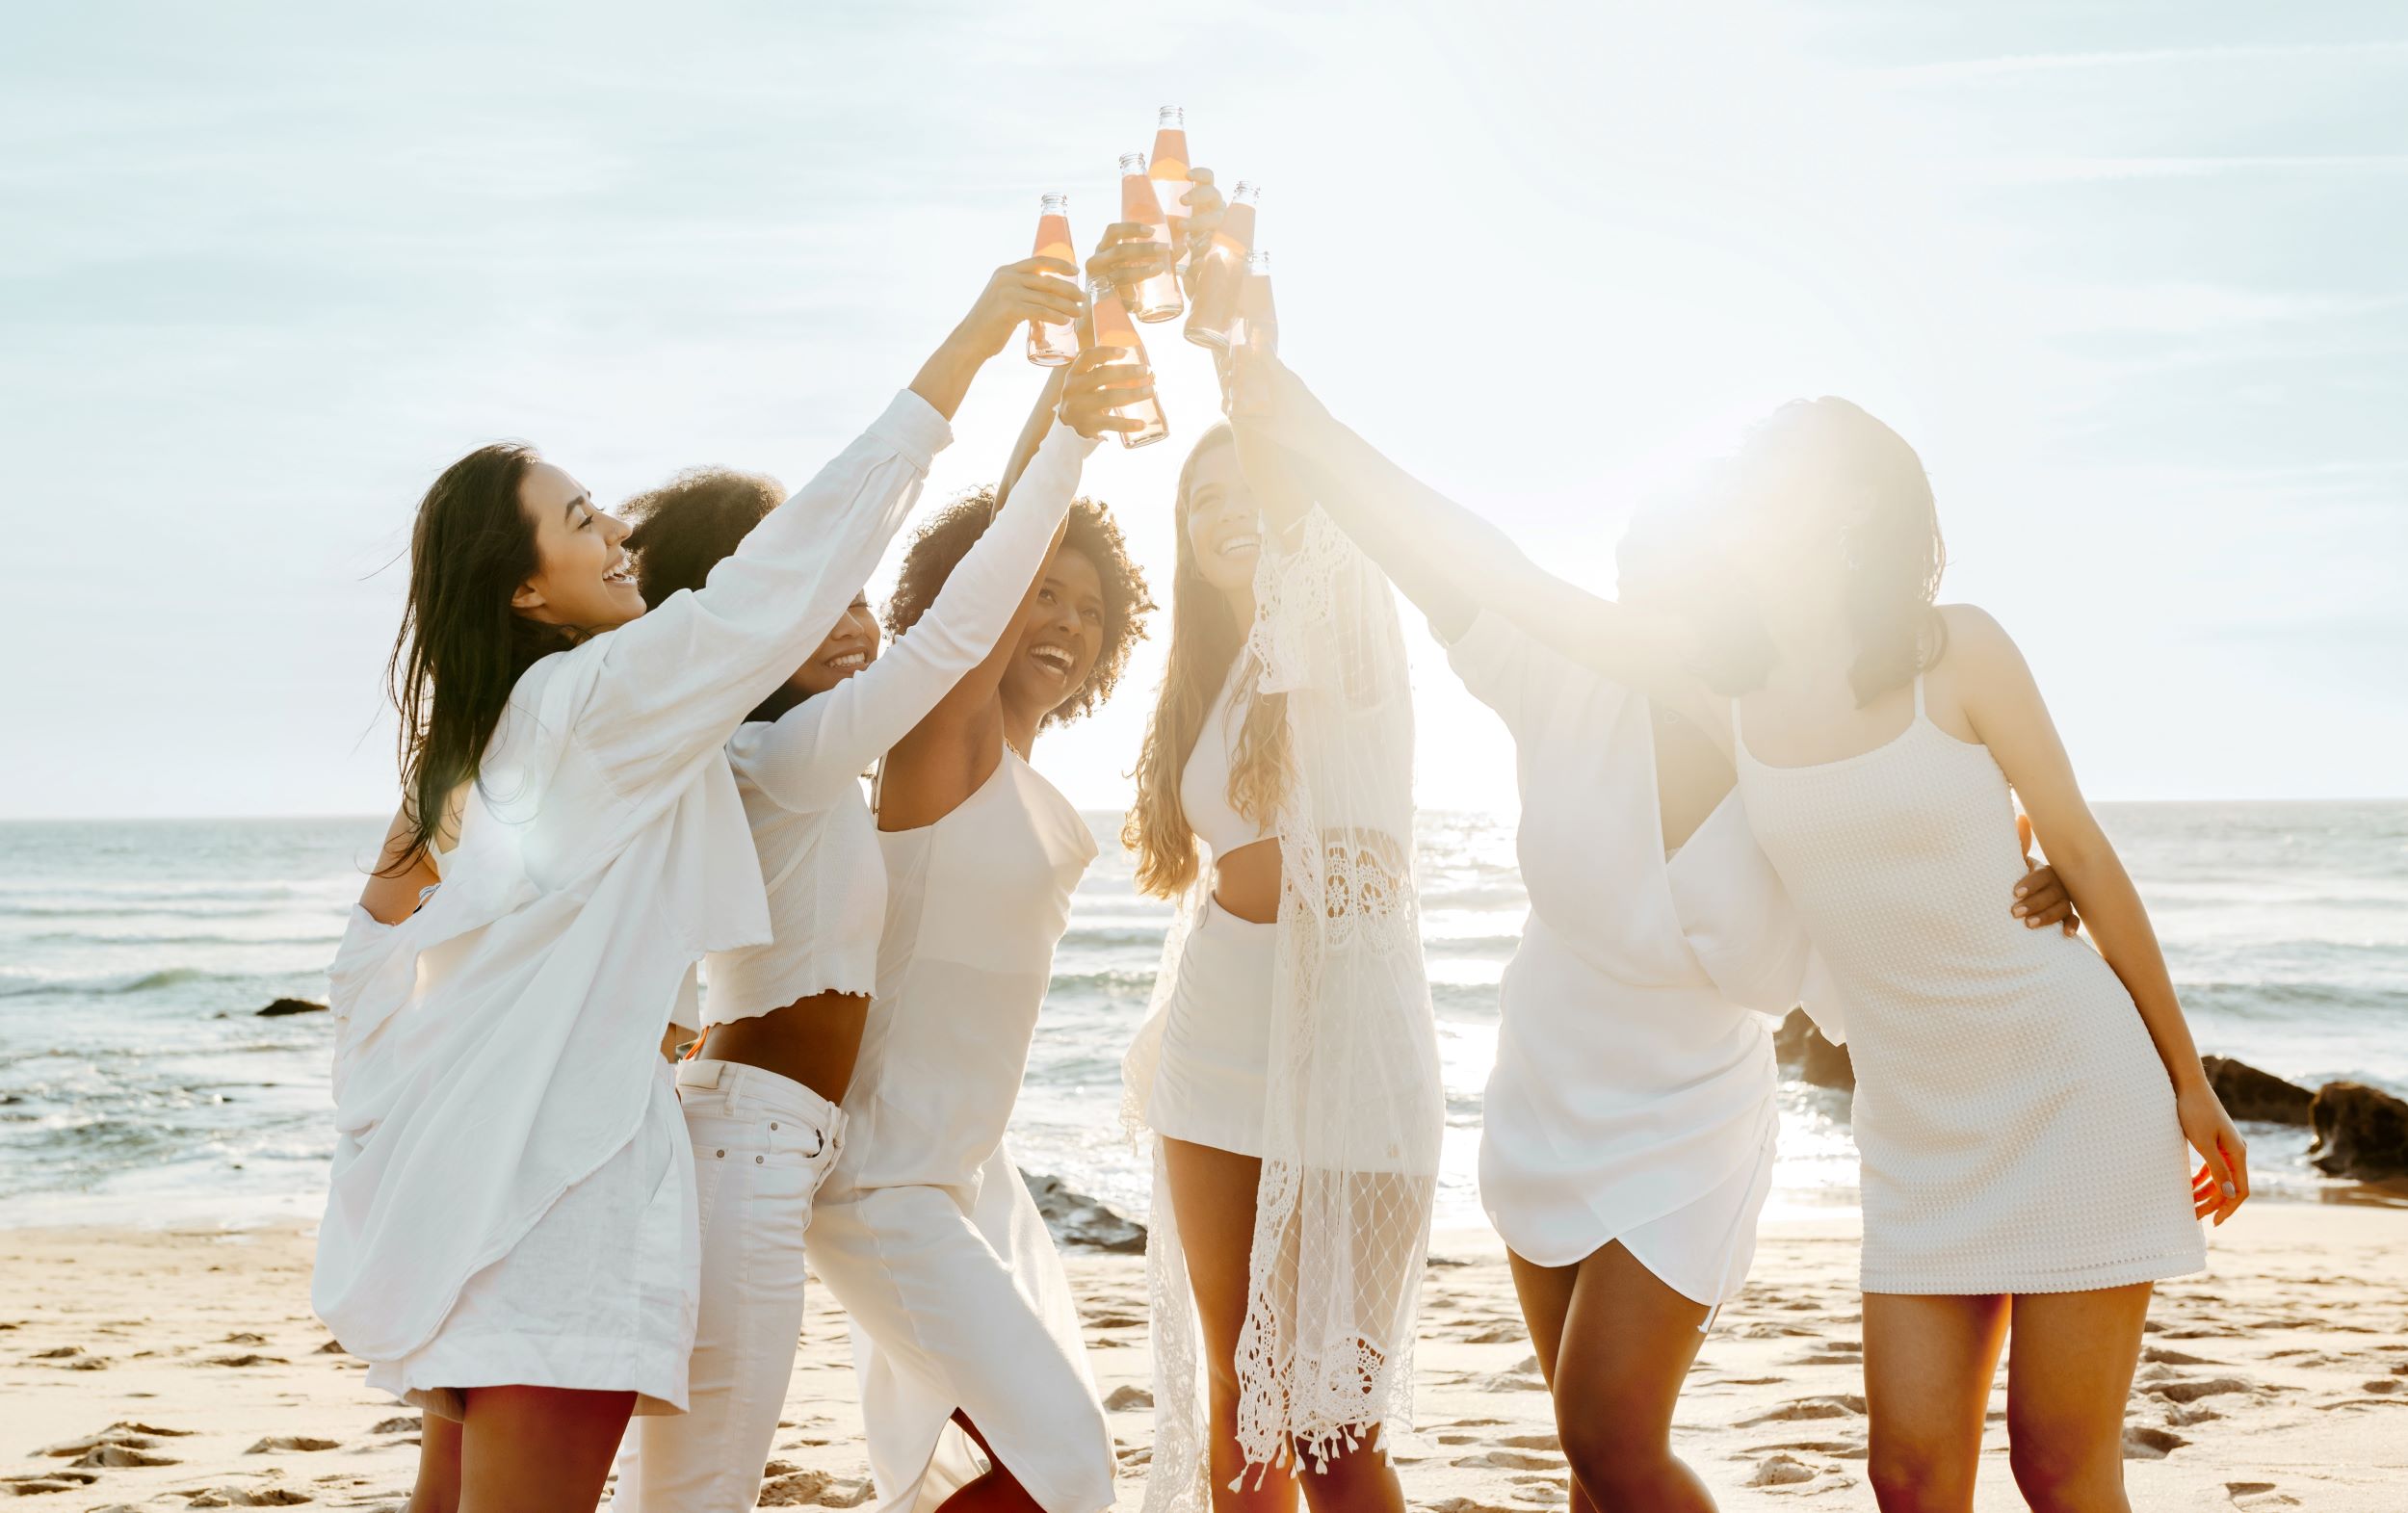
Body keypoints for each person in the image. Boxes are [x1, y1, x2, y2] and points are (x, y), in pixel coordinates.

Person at [1235, 359, 2246, 1513]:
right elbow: (1494, 573)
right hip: (1916, 1134)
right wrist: (1310, 431)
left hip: (2064, 1089)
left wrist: (2188, 1077)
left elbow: (2085, 857)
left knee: (2057, 1467)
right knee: (1907, 1474)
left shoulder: (1955, 648)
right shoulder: (1725, 684)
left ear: (1851, 506)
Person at [314, 258, 1082, 1513]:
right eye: (579, 524)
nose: (615, 534)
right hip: (562, 1213)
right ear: (523, 589)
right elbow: (786, 587)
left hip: (506, 1203)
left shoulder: (511, 738)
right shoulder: (594, 705)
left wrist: (415, 1151)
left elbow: (372, 963)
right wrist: (989, 344)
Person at [604, 335, 1140, 1509]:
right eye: (815, 590)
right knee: (1065, 1468)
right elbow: (964, 625)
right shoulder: (798, 755)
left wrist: (1067, 408)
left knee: (705, 1486)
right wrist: (1067, 420)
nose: (845, 612)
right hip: (816, 1156)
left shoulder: (803, 763)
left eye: (852, 590)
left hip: (843, 1154)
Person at [798, 332, 1158, 1513]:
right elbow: (1003, 562)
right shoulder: (940, 743)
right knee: (1069, 1467)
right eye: (1040, 591)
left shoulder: (1020, 771)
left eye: (1090, 608)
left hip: (962, 1174)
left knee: (1018, 1459)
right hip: (888, 1178)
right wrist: (1073, 402)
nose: (1061, 619)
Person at [1119, 418, 1443, 1513]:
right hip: (1218, 1033)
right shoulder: (1212, 681)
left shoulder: (1350, 622)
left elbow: (1298, 495)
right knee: (1237, 1389)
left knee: (1331, 1420)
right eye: (1199, 500)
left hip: (1347, 1033)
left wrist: (1236, 356)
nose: (1227, 510)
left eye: (1246, 486)